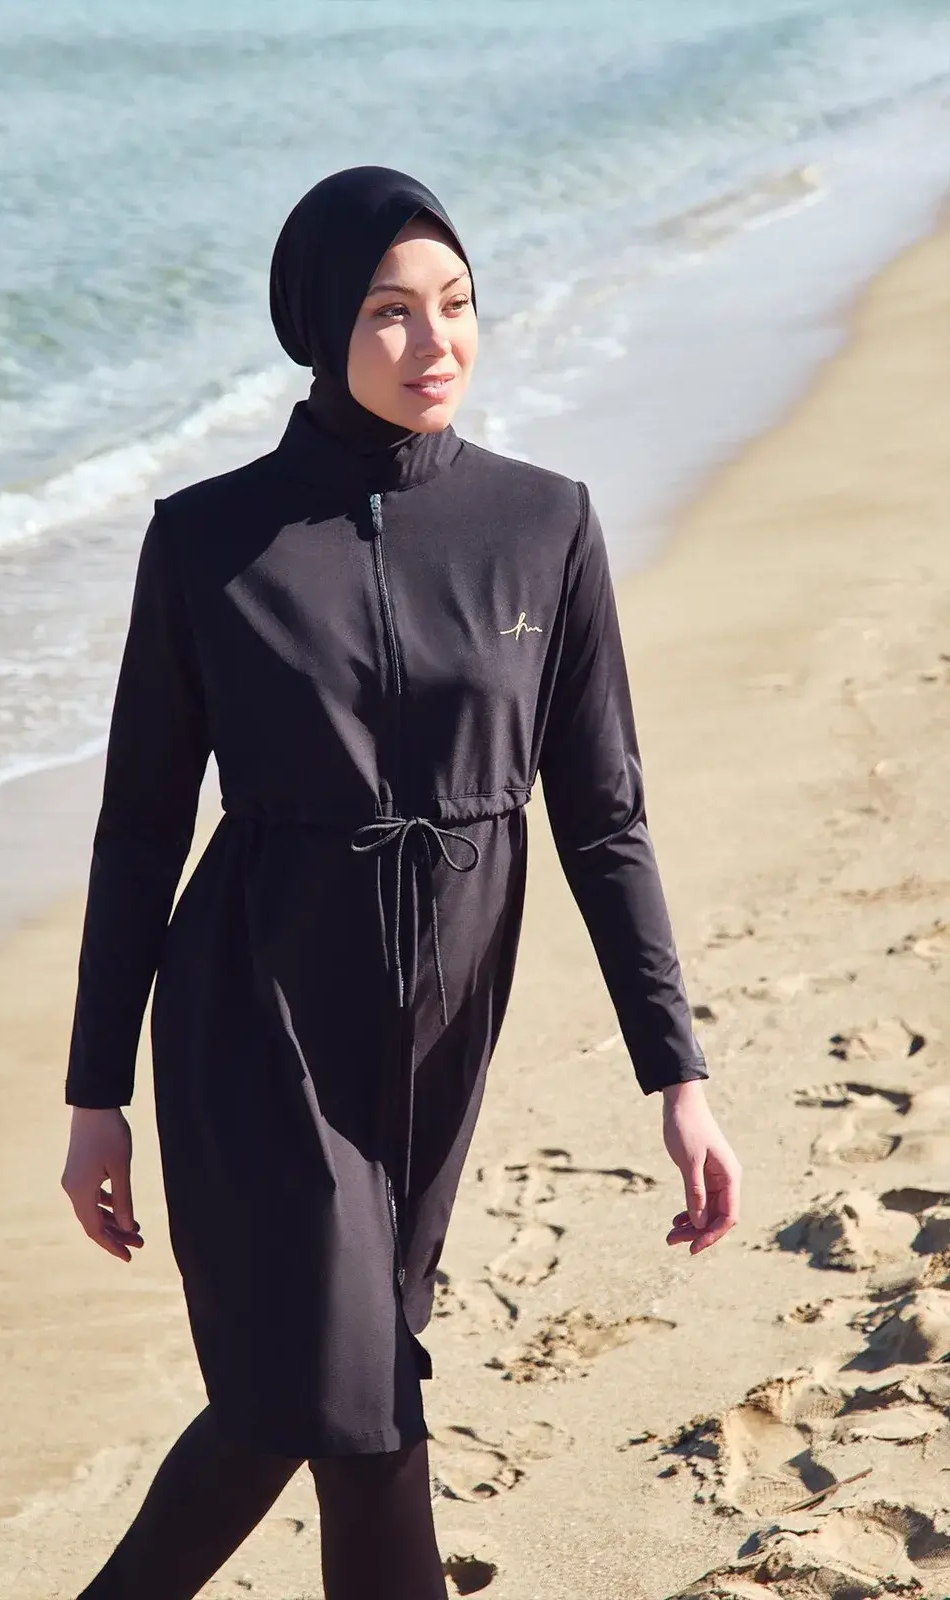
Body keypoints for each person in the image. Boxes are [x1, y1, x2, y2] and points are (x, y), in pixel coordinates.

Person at [61, 166, 741, 1600]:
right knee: (356, 1405)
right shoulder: (209, 541)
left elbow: (603, 818)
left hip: (440, 1039)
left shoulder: (543, 526)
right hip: (256, 1017)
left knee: (303, 1402)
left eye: (457, 304)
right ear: (320, 328)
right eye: (388, 313)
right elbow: (138, 830)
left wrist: (675, 1075)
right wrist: (94, 1094)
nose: (436, 343)